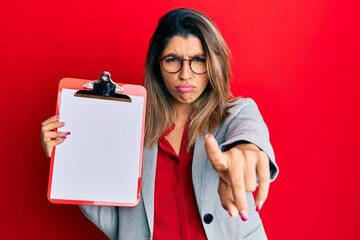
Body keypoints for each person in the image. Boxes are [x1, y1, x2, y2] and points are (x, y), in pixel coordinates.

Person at [41, 8, 279, 240]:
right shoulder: (129, 126)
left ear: (213, 64)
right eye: (173, 60)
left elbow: (250, 138)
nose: (185, 74)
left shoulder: (238, 112)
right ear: (157, 64)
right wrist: (67, 159)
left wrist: (246, 152)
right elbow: (115, 221)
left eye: (198, 60)